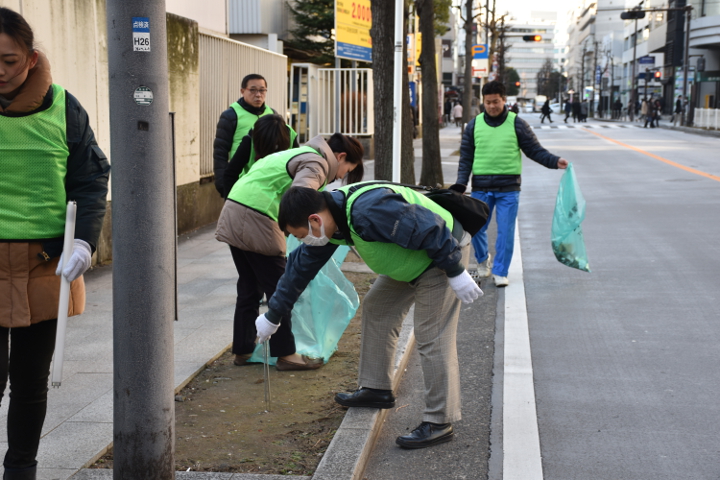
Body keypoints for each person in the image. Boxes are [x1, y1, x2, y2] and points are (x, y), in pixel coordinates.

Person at [257, 183, 482, 449]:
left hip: (441, 255)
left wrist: (455, 271)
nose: (306, 242)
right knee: (378, 308)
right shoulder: (331, 223)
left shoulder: (368, 210)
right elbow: (297, 271)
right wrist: (273, 316)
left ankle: (440, 421)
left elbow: (430, 227)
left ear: (314, 220)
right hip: (410, 260)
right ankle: (376, 389)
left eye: (302, 235)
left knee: (432, 335)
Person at [0, 8, 110, 479]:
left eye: (8, 60)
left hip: (46, 262)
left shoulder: (64, 107)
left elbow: (90, 178)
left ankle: (21, 469)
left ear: (30, 58)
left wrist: (84, 241)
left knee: (30, 381)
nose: (0, 71)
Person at [215, 133, 364, 371]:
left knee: (249, 286)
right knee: (282, 285)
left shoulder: (299, 152)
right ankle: (286, 353)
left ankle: (243, 349)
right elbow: (300, 203)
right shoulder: (318, 163)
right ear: (341, 156)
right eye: (347, 169)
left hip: (234, 208)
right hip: (257, 216)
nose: (341, 176)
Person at [451, 81, 568, 287]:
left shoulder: (517, 123)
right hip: (481, 187)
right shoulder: (474, 125)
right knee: (475, 228)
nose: (492, 106)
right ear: (483, 102)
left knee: (506, 231)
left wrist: (554, 161)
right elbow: (466, 158)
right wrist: (461, 183)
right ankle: (482, 260)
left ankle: (500, 271)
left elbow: (534, 150)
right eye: (488, 102)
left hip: (508, 189)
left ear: (504, 100)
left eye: (496, 101)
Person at [213, 73, 277, 196]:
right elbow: (220, 152)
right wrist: (222, 184)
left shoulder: (273, 115)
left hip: (268, 181)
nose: (258, 95)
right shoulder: (231, 115)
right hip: (240, 182)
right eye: (252, 90)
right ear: (242, 91)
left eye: (262, 90)